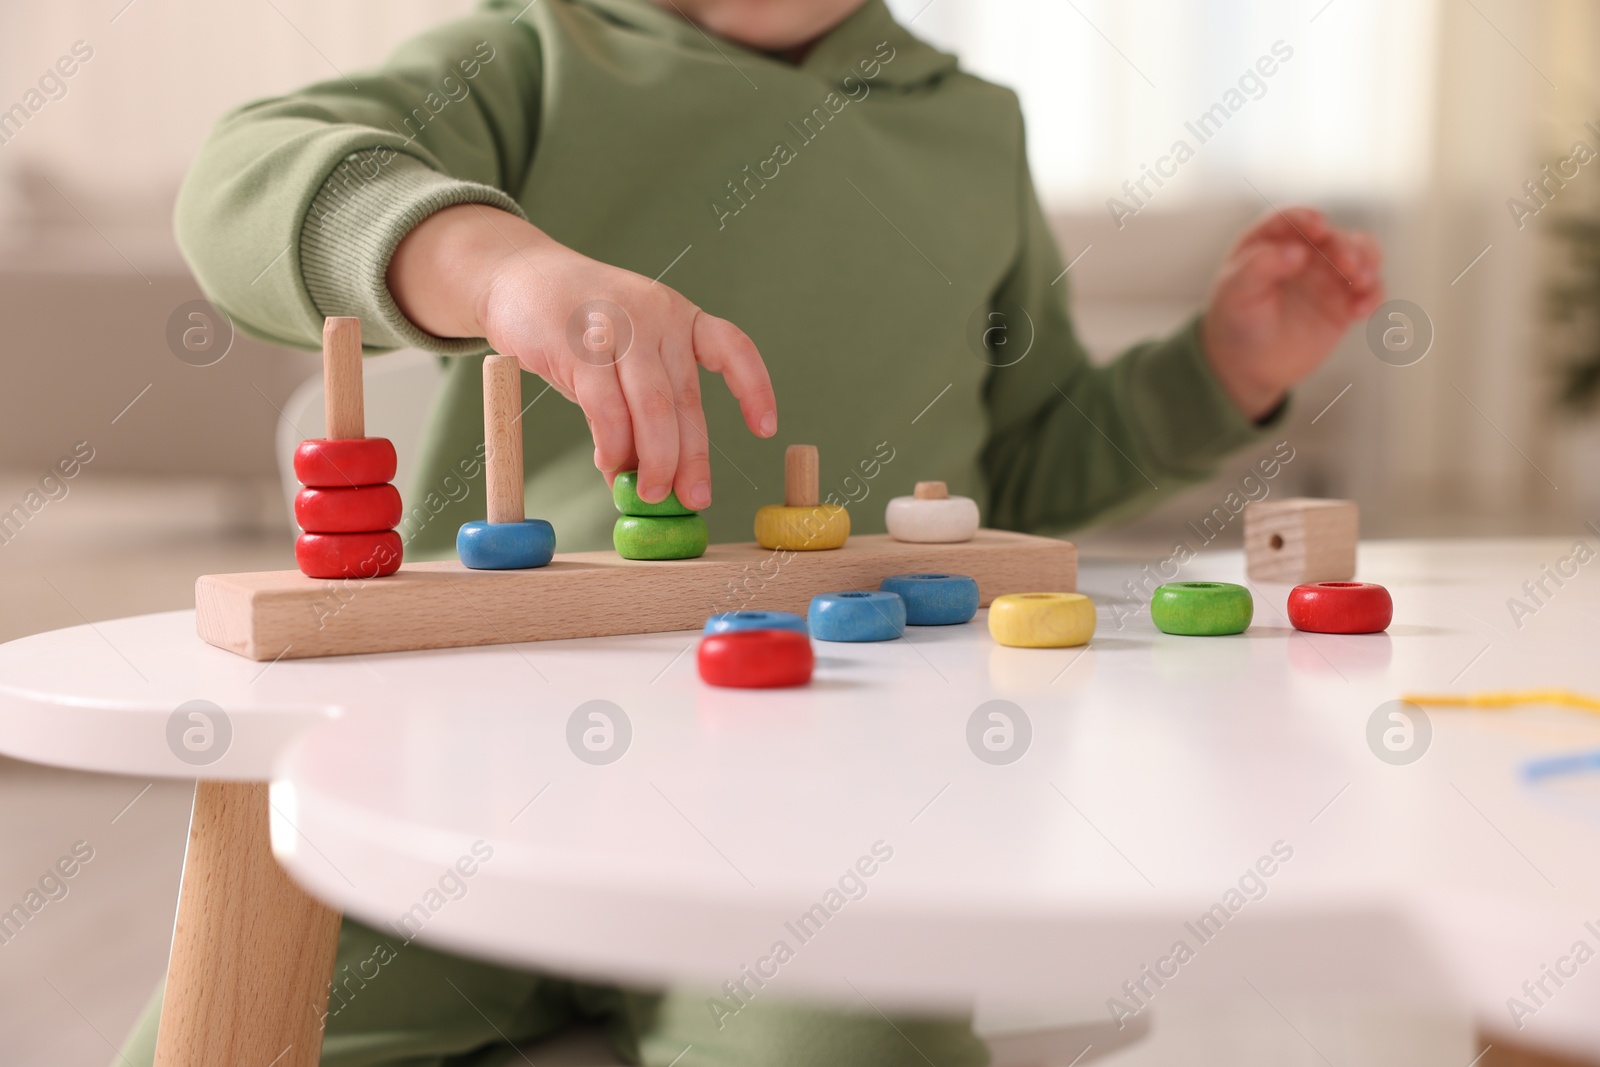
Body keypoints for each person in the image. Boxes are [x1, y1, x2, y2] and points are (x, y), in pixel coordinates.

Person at [124, 0, 1384, 1063]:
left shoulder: (971, 123)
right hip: (482, 761)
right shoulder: (541, 53)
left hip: (836, 789)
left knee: (844, 1037)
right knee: (236, 1015)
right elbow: (247, 177)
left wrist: (1221, 367)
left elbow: (1009, 481)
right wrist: (497, 269)